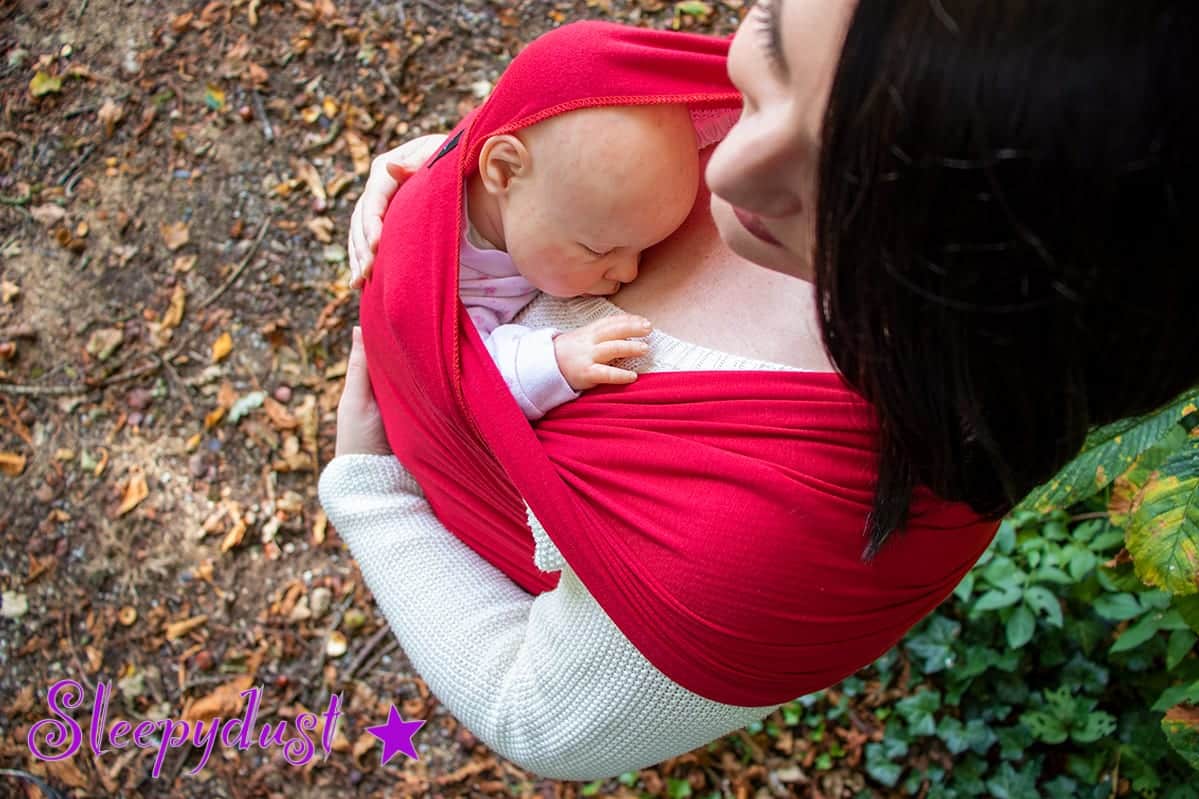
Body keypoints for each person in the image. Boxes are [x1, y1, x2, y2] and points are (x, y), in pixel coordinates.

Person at [322, 0, 1199, 781]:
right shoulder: (848, 66)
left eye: (853, 185)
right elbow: (542, 142)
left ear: (1006, 278)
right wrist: (454, 192)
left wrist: (371, 487)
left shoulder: (770, 542)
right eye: (769, 52)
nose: (727, 169)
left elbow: (534, 715)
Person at [444, 103, 701, 420]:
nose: (629, 272)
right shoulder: (455, 280)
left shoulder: (546, 196)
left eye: (641, 249)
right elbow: (459, 384)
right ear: (504, 171)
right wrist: (553, 361)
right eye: (598, 250)